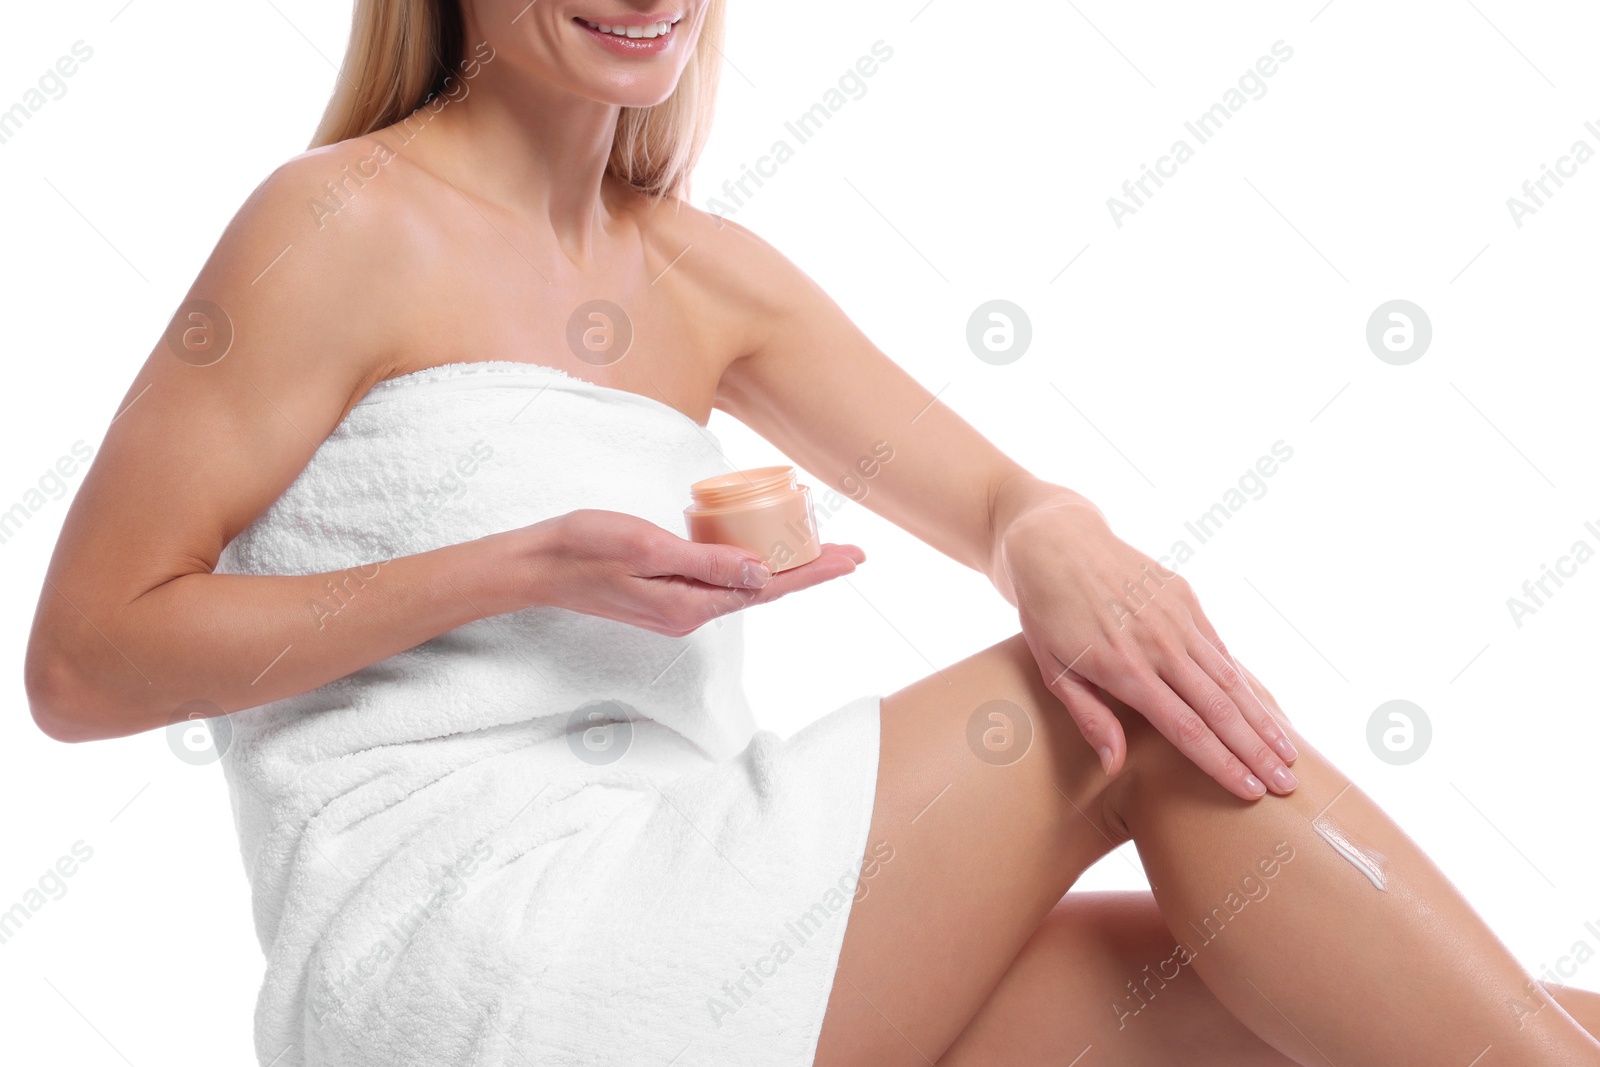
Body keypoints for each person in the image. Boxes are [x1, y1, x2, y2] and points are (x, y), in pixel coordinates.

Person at [24, 1, 1600, 1064]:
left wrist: (1047, 526)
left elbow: (990, 495)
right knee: (1117, 718)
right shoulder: (340, 223)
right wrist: (519, 571)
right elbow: (84, 665)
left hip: (690, 918)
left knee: (1276, 1005)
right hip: (478, 966)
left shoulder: (706, 275)